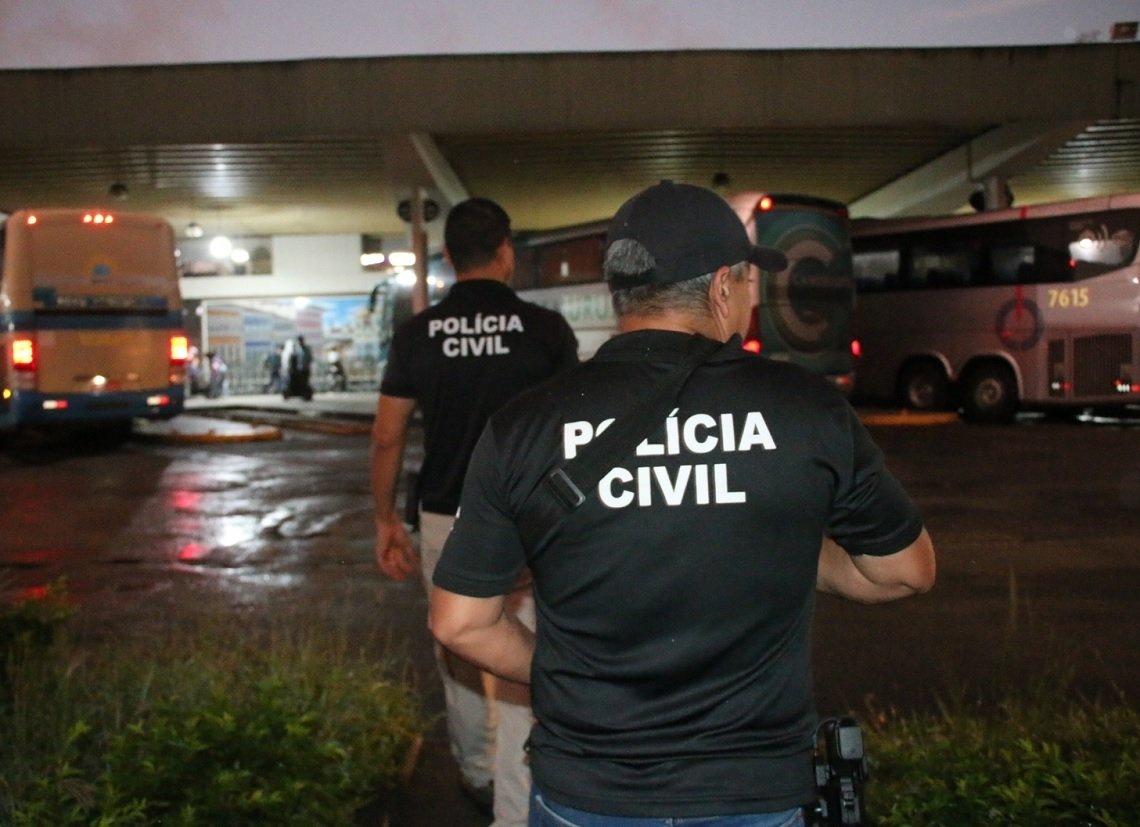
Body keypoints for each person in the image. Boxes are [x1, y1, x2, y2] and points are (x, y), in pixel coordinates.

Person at [429, 181, 936, 826]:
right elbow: (904, 570)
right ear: (724, 286)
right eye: (750, 281)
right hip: (753, 794)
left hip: (589, 793)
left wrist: (566, 677)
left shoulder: (523, 427)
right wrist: (780, 539)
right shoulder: (805, 410)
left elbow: (460, 623)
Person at [370, 197, 579, 826]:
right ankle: (518, 805)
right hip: (532, 518)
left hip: (445, 514)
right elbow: (574, 431)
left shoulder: (417, 334)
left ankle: (475, 769)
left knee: (457, 646)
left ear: (447, 259)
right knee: (524, 648)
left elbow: (387, 434)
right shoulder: (545, 332)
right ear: (506, 252)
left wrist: (384, 520)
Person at [284, 335, 313, 400]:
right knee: (297, 381)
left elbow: (309, 359)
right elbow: (293, 359)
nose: (300, 342)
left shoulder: (306, 349)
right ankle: (299, 392)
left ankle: (304, 393)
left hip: (305, 369)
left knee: (305, 382)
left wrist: (306, 365)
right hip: (298, 370)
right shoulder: (297, 350)